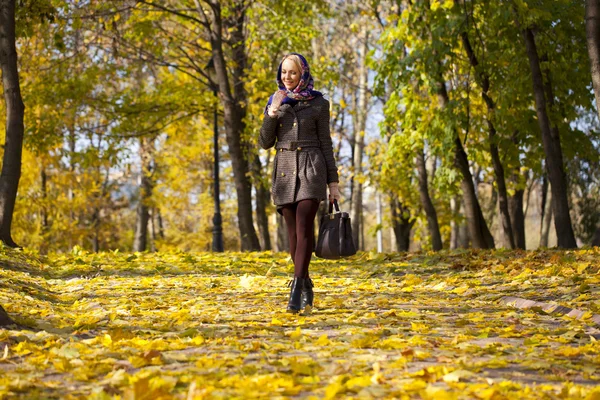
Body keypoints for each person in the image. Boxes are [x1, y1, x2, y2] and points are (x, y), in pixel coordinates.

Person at [259, 53, 341, 313]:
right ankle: (305, 282)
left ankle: (295, 287)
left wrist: (333, 184)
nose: (288, 77)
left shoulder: (319, 103)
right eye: (284, 72)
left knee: (305, 225)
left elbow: (326, 144)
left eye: (293, 72)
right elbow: (264, 142)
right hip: (283, 171)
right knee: (293, 236)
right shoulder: (275, 102)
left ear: (302, 73)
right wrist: (272, 112)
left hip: (311, 167)